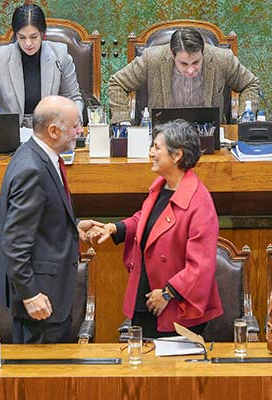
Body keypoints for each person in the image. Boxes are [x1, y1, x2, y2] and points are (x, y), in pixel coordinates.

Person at [88, 119, 222, 338]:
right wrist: (116, 228)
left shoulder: (199, 202)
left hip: (175, 306)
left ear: (177, 155)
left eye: (157, 147)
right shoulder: (161, 187)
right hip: (147, 300)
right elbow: (148, 219)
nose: (151, 152)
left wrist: (168, 294)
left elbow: (201, 265)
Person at [0, 95, 101, 344]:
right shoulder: (33, 169)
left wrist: (73, 225)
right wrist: (30, 295)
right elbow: (15, 242)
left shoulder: (33, 154)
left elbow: (41, 216)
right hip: (41, 299)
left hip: (49, 294)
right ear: (53, 130)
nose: (80, 132)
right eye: (75, 126)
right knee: (41, 376)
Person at [0, 3, 83, 127]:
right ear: (15, 36)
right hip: (8, 130)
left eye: (33, 37)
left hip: (50, 129)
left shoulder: (60, 54)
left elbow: (74, 98)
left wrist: (75, 123)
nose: (28, 44)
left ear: (43, 34)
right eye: (22, 37)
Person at [108, 27, 260, 124]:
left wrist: (246, 118)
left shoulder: (222, 59)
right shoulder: (152, 58)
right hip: (164, 137)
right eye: (184, 64)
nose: (191, 70)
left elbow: (250, 84)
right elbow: (117, 83)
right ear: (172, 55)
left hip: (208, 134)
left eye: (196, 62)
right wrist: (123, 121)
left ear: (203, 52)